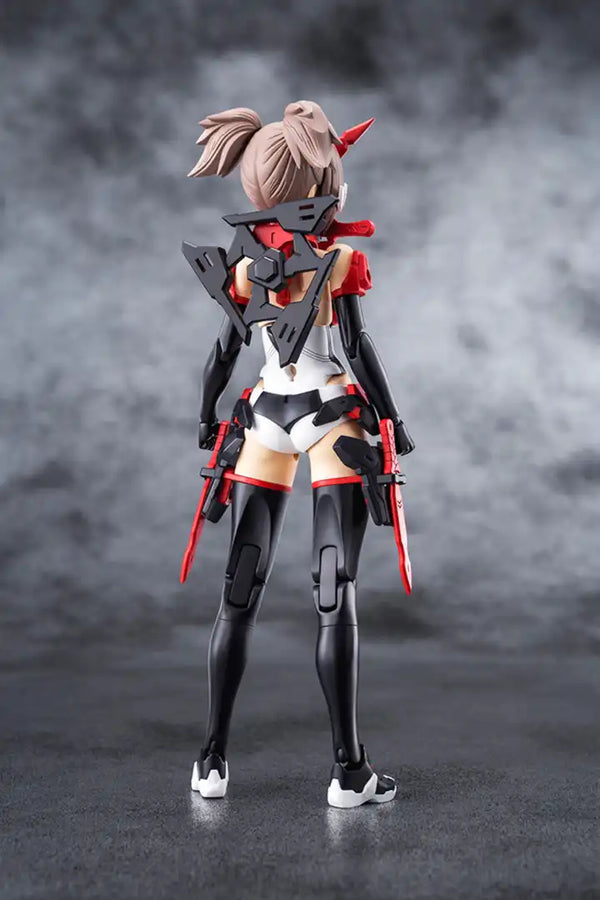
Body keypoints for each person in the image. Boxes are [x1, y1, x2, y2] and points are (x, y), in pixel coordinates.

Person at [184, 101, 414, 808]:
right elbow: (357, 347)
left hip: (262, 416)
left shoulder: (244, 266)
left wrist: (206, 413)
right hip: (331, 415)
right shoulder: (339, 260)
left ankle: (211, 761)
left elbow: (224, 352)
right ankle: (349, 770)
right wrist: (392, 419)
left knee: (238, 593)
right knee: (333, 593)